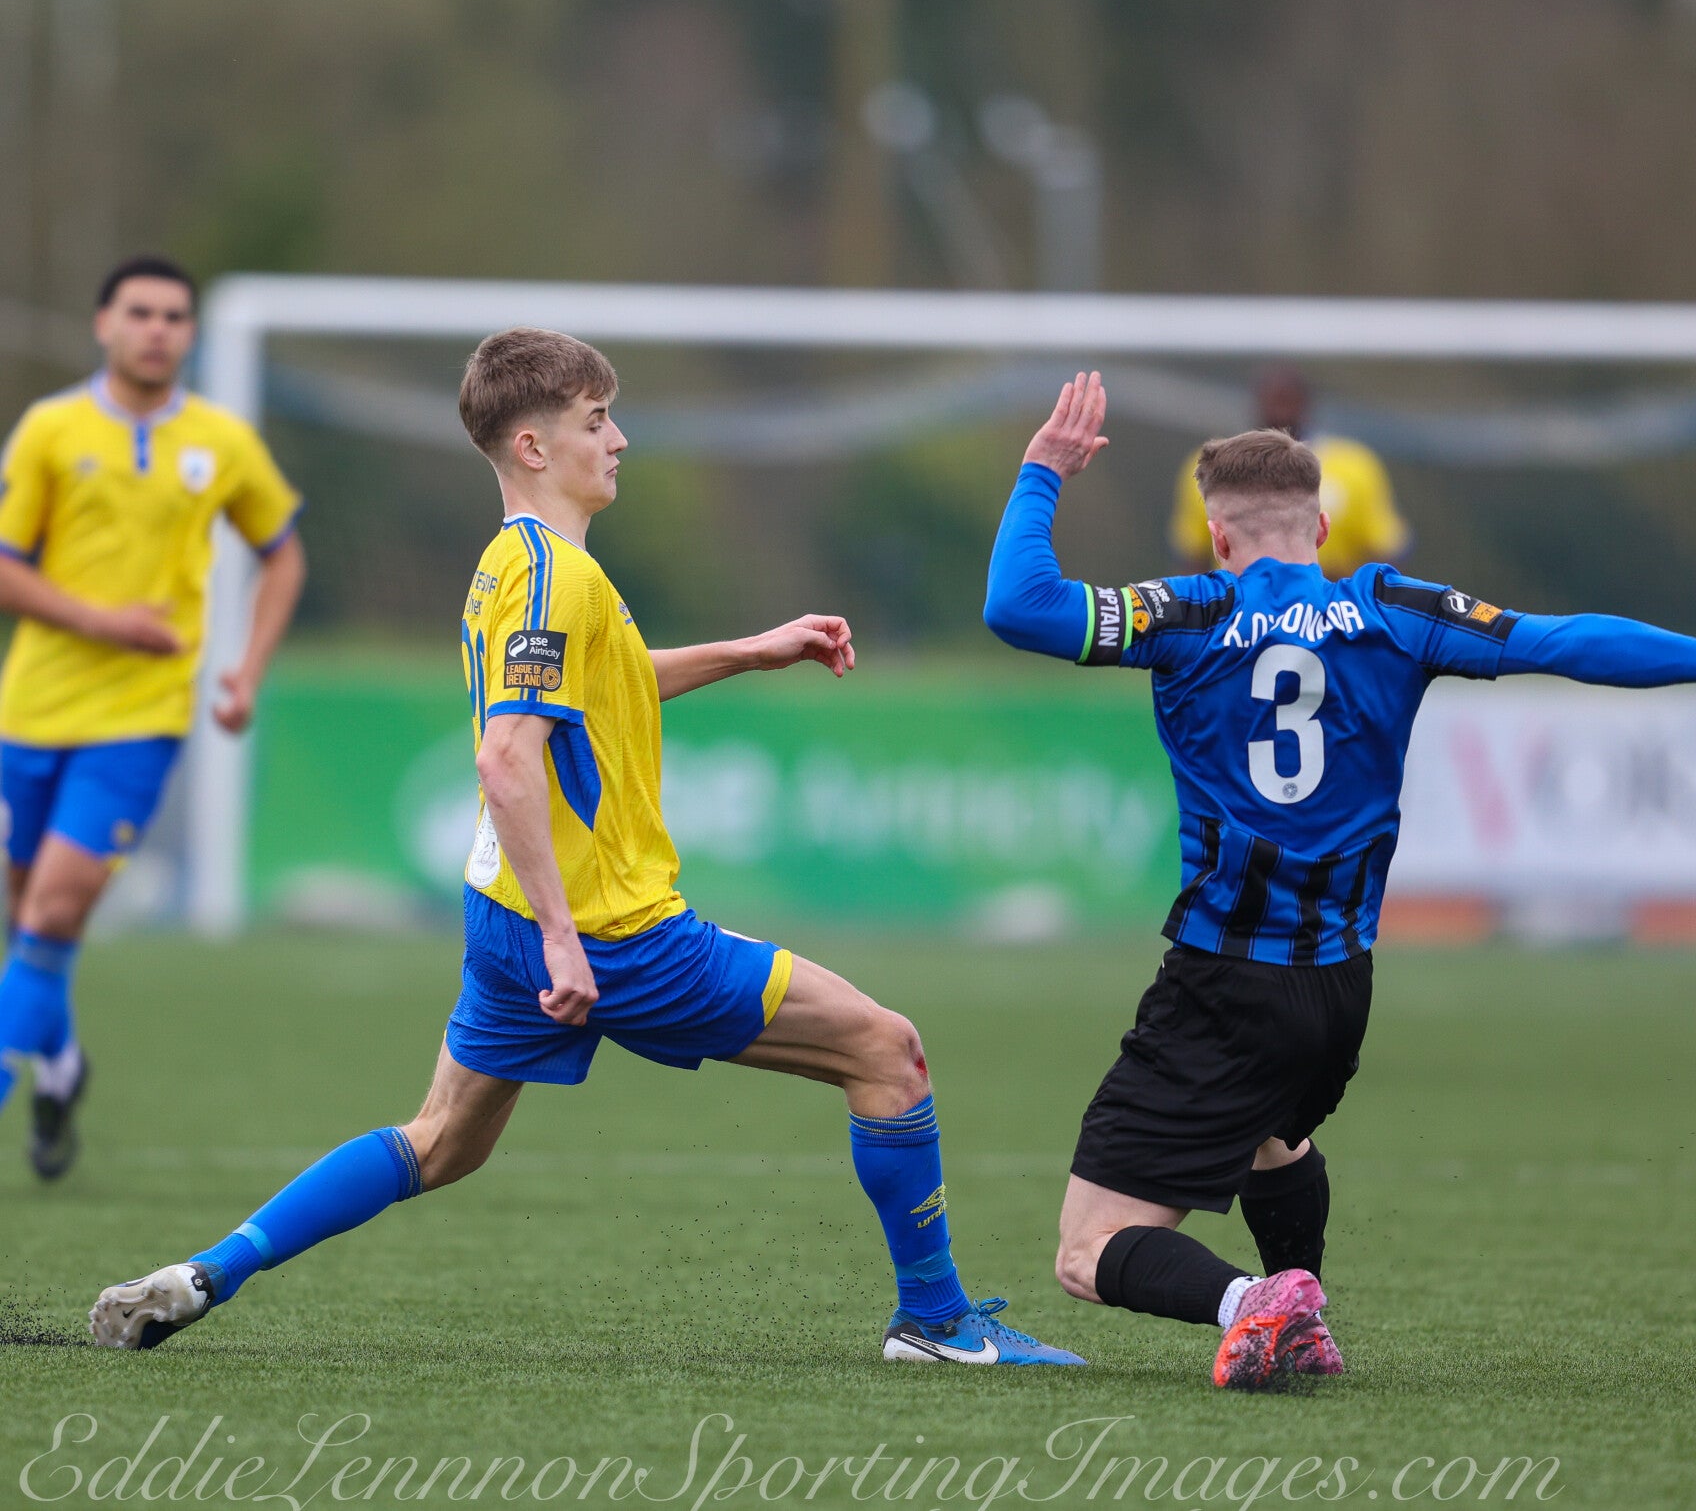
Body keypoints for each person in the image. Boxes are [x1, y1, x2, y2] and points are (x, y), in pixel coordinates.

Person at [90, 328, 1081, 1368]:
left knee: (440, 1140)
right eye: (597, 420)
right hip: (608, 931)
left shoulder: (511, 563)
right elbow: (506, 758)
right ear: (533, 445)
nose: (619, 440)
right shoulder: (555, 575)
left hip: (505, 912)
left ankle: (209, 1271)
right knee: (887, 1051)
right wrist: (569, 939)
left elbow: (602, 680)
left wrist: (752, 650)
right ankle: (936, 1321)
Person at [986, 371, 1696, 1393]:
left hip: (1225, 977)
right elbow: (1561, 640)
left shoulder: (1186, 613)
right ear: (1323, 527)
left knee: (1087, 1250)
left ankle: (1254, 1303)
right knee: (1271, 1135)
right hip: (1338, 986)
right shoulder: (1394, 610)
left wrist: (1043, 470)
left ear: (1218, 538)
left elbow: (1019, 606)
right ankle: (1302, 1313)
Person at [0, 255, 306, 1179]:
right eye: (139, 312)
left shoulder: (222, 440)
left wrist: (247, 669)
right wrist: (104, 622)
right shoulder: (51, 429)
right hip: (31, 711)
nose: (157, 329)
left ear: (191, 335)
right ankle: (60, 1064)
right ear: (104, 324)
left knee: (55, 908)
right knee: (28, 922)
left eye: (175, 316)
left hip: (141, 719)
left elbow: (283, 554)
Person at [1169, 366, 1407, 578]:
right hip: (1239, 607)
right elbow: (1193, 554)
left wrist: (1348, 598)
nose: (1281, 410)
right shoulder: (1214, 465)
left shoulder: (1353, 465)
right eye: (1273, 400)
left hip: (1327, 606)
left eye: (1288, 400)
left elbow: (1385, 550)